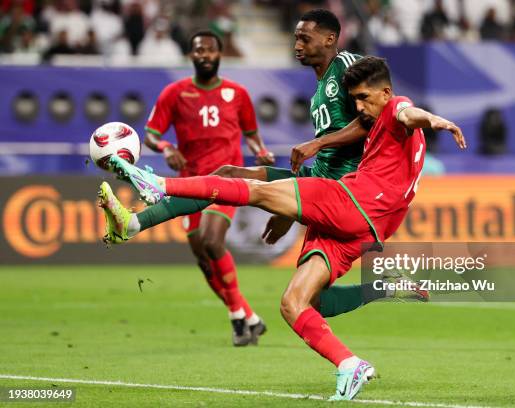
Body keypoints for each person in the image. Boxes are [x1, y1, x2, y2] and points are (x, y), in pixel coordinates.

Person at [100, 56, 467, 400]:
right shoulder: (373, 123)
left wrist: (436, 119)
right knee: (297, 304)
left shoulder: (394, 107)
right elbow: (380, 123)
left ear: (384, 93)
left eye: (364, 99)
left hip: (352, 201)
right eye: (354, 100)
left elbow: (408, 112)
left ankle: (158, 186)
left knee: (255, 191)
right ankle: (353, 360)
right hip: (367, 227)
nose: (359, 107)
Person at [101, 10, 426, 321]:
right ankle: (133, 224)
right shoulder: (318, 92)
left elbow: (377, 118)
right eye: (296, 38)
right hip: (318, 183)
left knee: (244, 193)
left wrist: (317, 144)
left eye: (305, 38)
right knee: (311, 302)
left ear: (329, 39)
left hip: (345, 193)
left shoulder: (348, 67)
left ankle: (148, 198)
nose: (297, 45)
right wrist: (290, 211)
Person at [104, 30, 274, 347]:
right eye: (198, 50)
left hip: (226, 179)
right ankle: (248, 316)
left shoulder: (237, 94)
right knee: (203, 257)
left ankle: (237, 318)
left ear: (220, 55)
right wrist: (167, 148)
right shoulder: (175, 93)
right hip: (189, 182)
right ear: (190, 55)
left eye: (210, 50)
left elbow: (251, 133)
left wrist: (261, 150)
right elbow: (152, 133)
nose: (204, 55)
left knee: (212, 240)